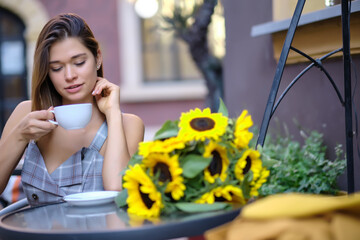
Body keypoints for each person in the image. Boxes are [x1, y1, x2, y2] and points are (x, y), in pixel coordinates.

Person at [0, 13, 144, 206]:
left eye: (79, 63)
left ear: (98, 58)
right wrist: (20, 135)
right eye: (57, 68)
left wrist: (112, 114)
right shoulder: (28, 113)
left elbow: (118, 192)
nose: (70, 75)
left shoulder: (128, 124)